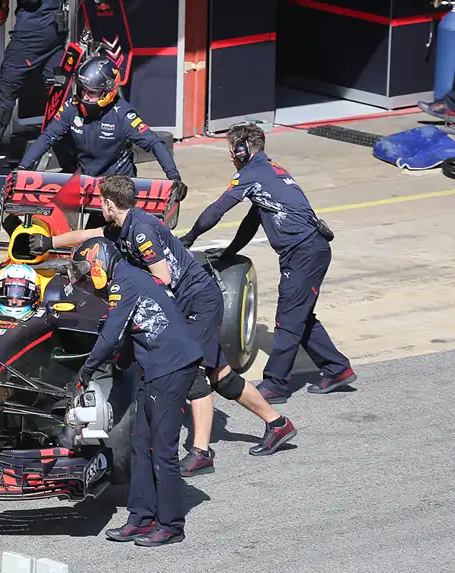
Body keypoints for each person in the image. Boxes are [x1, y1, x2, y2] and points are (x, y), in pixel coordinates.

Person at [29, 174, 296, 475]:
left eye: (100, 202)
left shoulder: (141, 231)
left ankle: (201, 452)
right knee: (220, 374)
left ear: (108, 203)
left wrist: (132, 296)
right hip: (188, 301)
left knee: (193, 372)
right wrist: (48, 242)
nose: (99, 207)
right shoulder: (122, 224)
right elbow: (89, 236)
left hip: (198, 301)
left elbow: (163, 278)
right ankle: (278, 423)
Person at [179, 123, 357, 403]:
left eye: (231, 150)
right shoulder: (270, 170)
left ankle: (275, 384)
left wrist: (189, 237)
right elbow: (252, 222)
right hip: (310, 250)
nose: (230, 156)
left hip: (304, 253)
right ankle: (337, 368)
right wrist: (229, 253)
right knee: (300, 315)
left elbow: (216, 210)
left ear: (242, 149)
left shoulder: (252, 174)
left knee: (287, 320)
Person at [69, 237, 201, 547]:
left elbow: (110, 334)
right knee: (141, 445)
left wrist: (86, 371)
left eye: (86, 273)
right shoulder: (127, 279)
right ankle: (140, 517)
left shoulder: (123, 284)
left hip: (172, 367)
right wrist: (122, 362)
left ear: (99, 264)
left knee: (162, 449)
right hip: (152, 367)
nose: (87, 282)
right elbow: (131, 331)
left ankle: (170, 524)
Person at [16, 56, 188, 206]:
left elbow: (155, 143)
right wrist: (23, 167)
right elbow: (47, 136)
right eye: (83, 90)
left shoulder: (123, 116)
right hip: (84, 180)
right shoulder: (71, 107)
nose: (85, 97)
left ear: (107, 93)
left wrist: (174, 177)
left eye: (91, 92)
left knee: (103, 236)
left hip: (117, 185)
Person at [0, 0, 69, 167]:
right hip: (55, 28)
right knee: (58, 93)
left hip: (32, 33)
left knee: (4, 93)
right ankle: (72, 153)